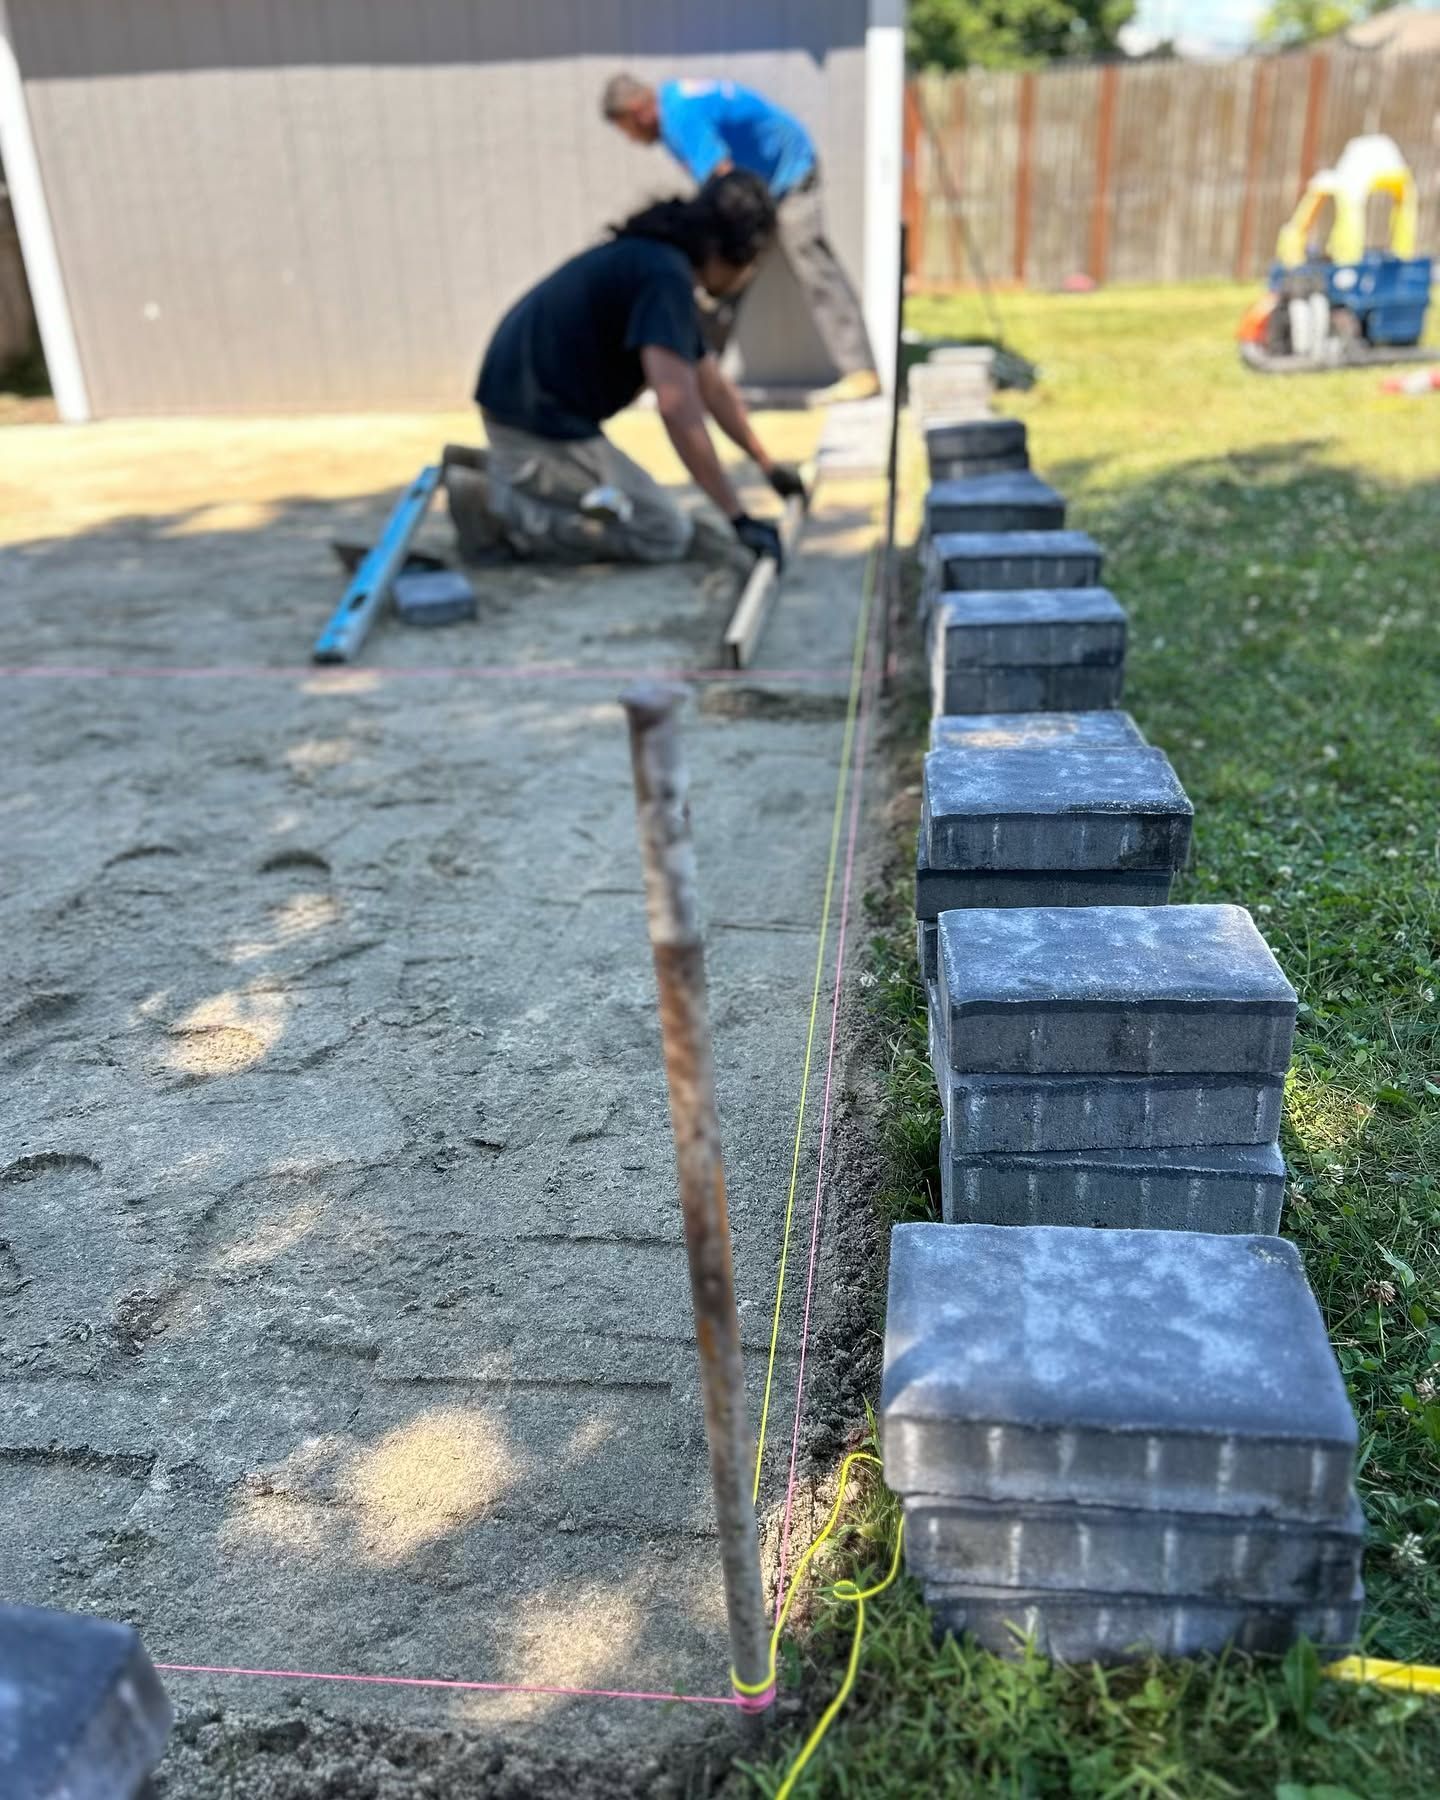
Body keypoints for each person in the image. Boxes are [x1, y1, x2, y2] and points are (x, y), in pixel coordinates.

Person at [459, 169, 805, 567]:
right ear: (732, 251)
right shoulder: (664, 277)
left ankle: (509, 476)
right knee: (662, 532)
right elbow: (677, 405)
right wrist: (737, 517)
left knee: (638, 514)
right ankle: (494, 507)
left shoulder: (659, 263)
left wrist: (767, 464)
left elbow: (712, 387)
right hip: (537, 424)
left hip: (532, 411)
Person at [601, 72, 879, 404]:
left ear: (638, 112)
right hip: (757, 186)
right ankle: (695, 376)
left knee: (810, 263)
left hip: (788, 175)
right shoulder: (675, 99)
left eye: (626, 130)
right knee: (725, 283)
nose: (632, 139)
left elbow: (722, 179)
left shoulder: (679, 118)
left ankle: (860, 373)